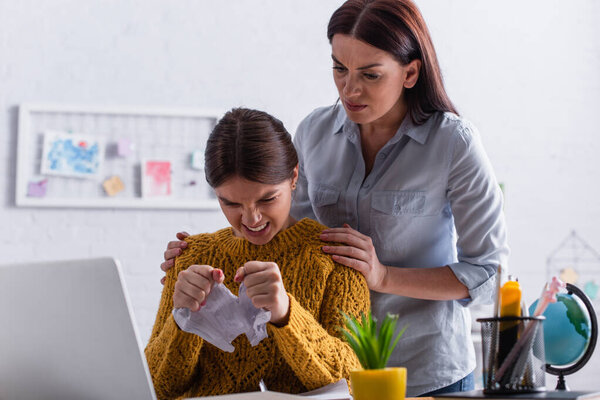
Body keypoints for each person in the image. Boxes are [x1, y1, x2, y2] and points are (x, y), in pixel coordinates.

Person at [161, 0, 509, 396]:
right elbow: (286, 239)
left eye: (371, 75)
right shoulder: (313, 132)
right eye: (339, 68)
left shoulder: (454, 143)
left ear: (410, 72)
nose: (350, 89)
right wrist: (197, 257)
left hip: (425, 370)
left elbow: (487, 273)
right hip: (328, 375)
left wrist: (383, 276)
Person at [145, 108, 370, 399]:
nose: (251, 219)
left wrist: (286, 314)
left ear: (293, 177)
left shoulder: (336, 258)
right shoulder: (190, 258)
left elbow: (355, 382)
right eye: (231, 204)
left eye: (267, 199)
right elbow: (154, 389)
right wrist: (181, 321)